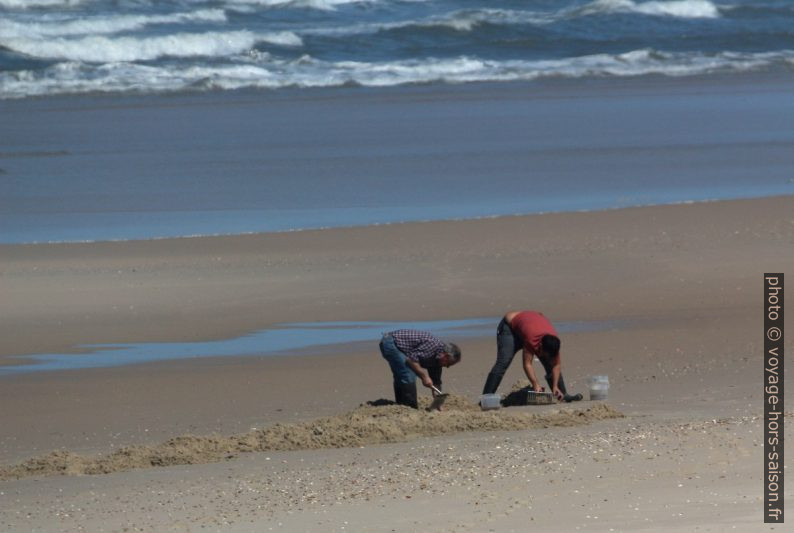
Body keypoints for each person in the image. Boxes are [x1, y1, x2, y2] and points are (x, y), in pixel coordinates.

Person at [482, 310, 577, 401]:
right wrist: (535, 384)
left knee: (549, 363)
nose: (547, 357)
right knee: (503, 361)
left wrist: (555, 386)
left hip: (528, 325)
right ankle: (486, 398)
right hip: (510, 328)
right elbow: (527, 364)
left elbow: (556, 365)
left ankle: (562, 394)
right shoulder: (532, 339)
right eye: (545, 353)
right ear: (540, 346)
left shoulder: (553, 343)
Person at [379, 329, 461, 408]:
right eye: (448, 364)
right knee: (408, 373)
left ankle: (401, 404)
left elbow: (436, 382)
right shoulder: (432, 345)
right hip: (390, 342)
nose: (447, 367)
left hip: (400, 347)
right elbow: (411, 359)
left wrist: (438, 402)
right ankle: (409, 407)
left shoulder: (438, 360)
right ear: (445, 356)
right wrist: (424, 376)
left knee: (401, 374)